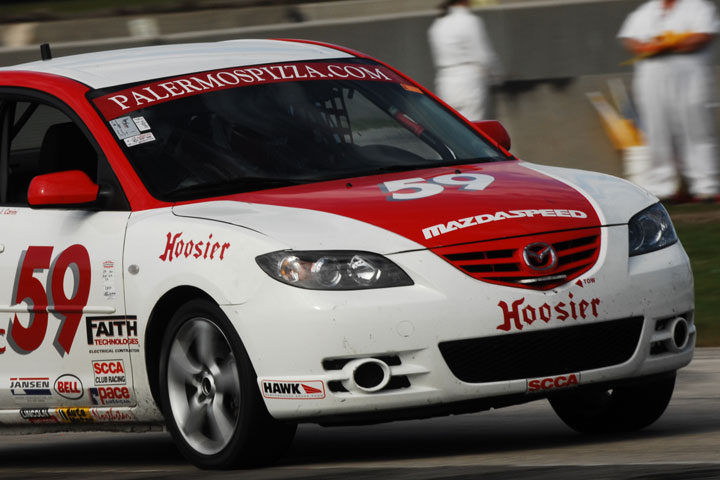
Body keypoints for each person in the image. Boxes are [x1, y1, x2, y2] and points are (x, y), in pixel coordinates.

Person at [618, 0, 720, 202]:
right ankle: (662, 187)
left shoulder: (698, 7)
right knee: (657, 130)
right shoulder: (646, 11)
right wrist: (650, 46)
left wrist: (669, 44)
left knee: (696, 128)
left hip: (689, 75)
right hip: (652, 75)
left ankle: (705, 185)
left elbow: (703, 36)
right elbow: (630, 40)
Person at [427, 0, 501, 121]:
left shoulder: (437, 25)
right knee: (474, 126)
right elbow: (483, 56)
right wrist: (497, 76)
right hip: (469, 83)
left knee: (452, 125)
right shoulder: (470, 21)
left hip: (445, 83)